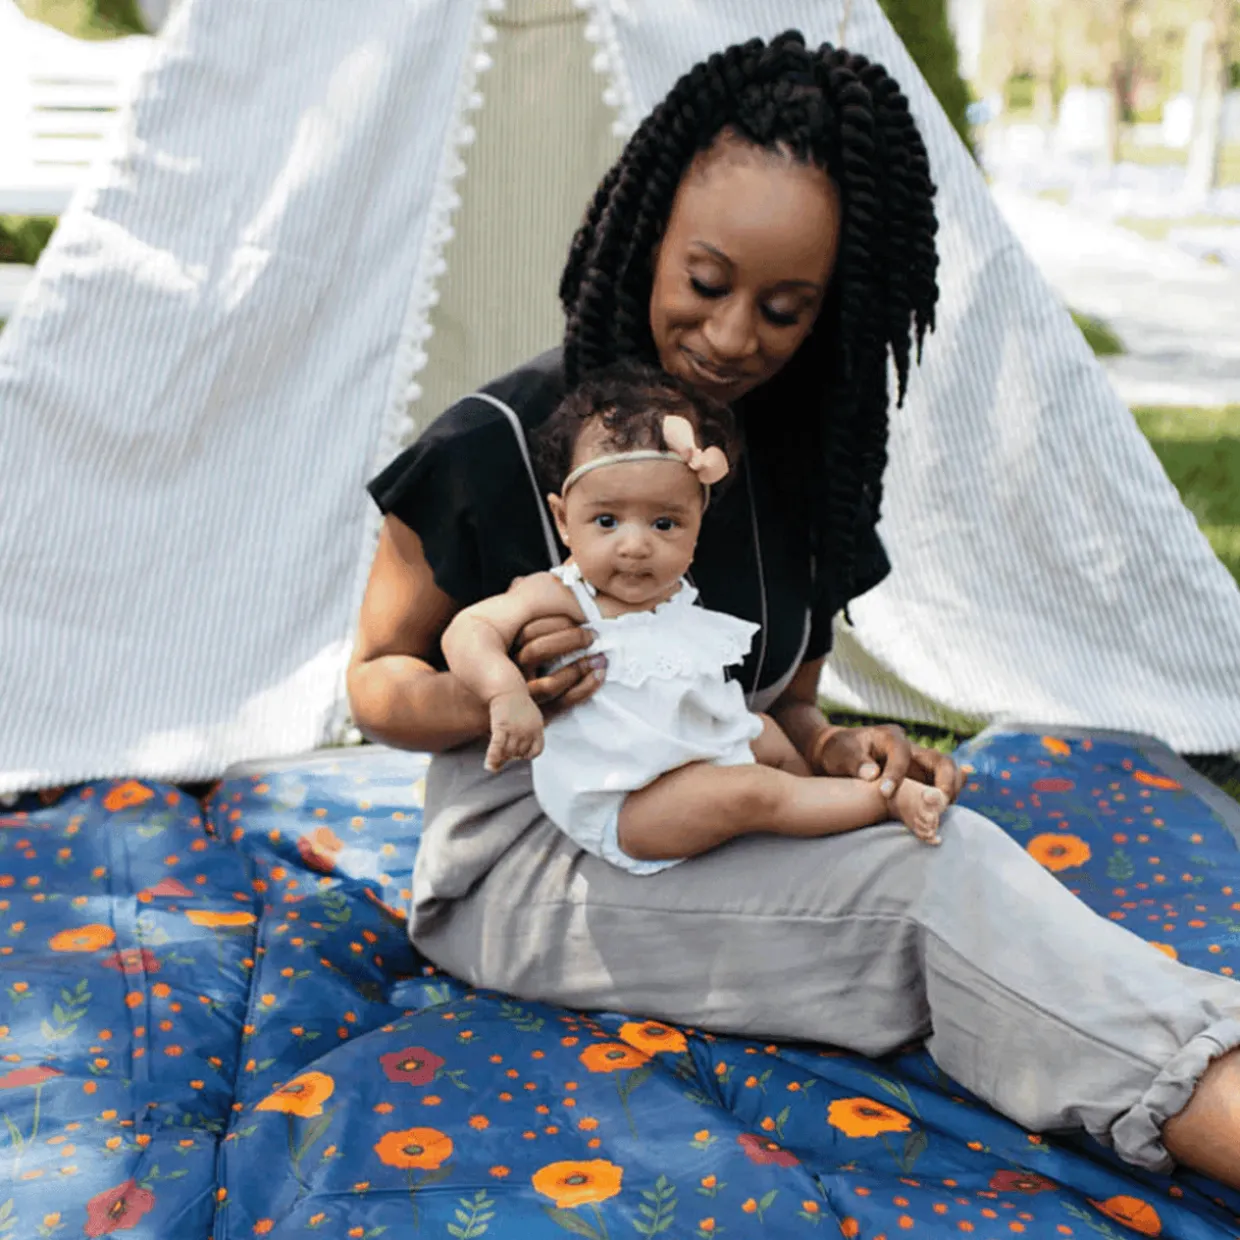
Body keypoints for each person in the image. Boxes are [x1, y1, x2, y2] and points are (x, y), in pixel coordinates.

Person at [348, 30, 1240, 1185]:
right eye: (706, 283)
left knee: (944, 864)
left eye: (783, 307)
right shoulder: (499, 442)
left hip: (717, 820)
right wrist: (500, 695)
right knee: (933, 886)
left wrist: (841, 749)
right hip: (532, 864)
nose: (732, 339)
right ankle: (1201, 1089)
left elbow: (787, 706)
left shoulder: (797, 464)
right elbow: (374, 681)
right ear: (646, 236)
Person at [440, 362, 947, 869]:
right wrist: (505, 692)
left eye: (664, 524)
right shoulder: (563, 593)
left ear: (697, 524)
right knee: (750, 789)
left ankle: (812, 820)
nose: (635, 545)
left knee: (765, 734)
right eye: (607, 520)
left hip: (698, 759)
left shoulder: (675, 593)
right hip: (626, 803)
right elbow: (469, 629)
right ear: (563, 520)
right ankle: (882, 801)